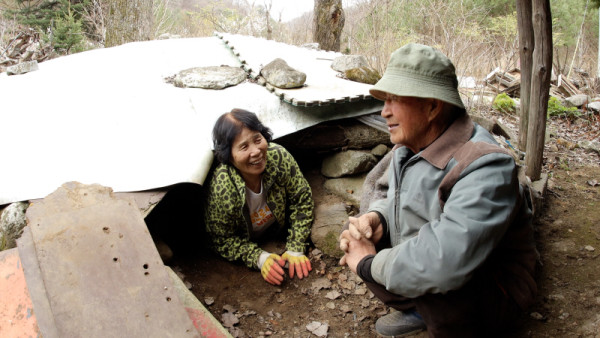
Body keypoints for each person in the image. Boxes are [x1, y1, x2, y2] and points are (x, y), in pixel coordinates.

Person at [338, 43, 538, 337]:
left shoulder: (486, 165)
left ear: (432, 106)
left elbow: (447, 259)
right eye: (385, 100)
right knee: (361, 240)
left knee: (428, 274)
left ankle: (450, 319)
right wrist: (376, 219)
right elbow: (402, 200)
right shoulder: (408, 148)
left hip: (496, 287)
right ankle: (422, 310)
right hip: (444, 264)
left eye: (394, 100)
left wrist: (367, 265)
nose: (384, 112)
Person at [205, 108, 314, 286]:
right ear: (229, 156)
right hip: (246, 239)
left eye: (258, 139)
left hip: (276, 230)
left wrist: (296, 246)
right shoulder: (223, 186)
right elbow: (220, 239)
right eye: (244, 147)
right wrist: (259, 258)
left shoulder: (278, 157)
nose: (256, 151)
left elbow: (302, 199)